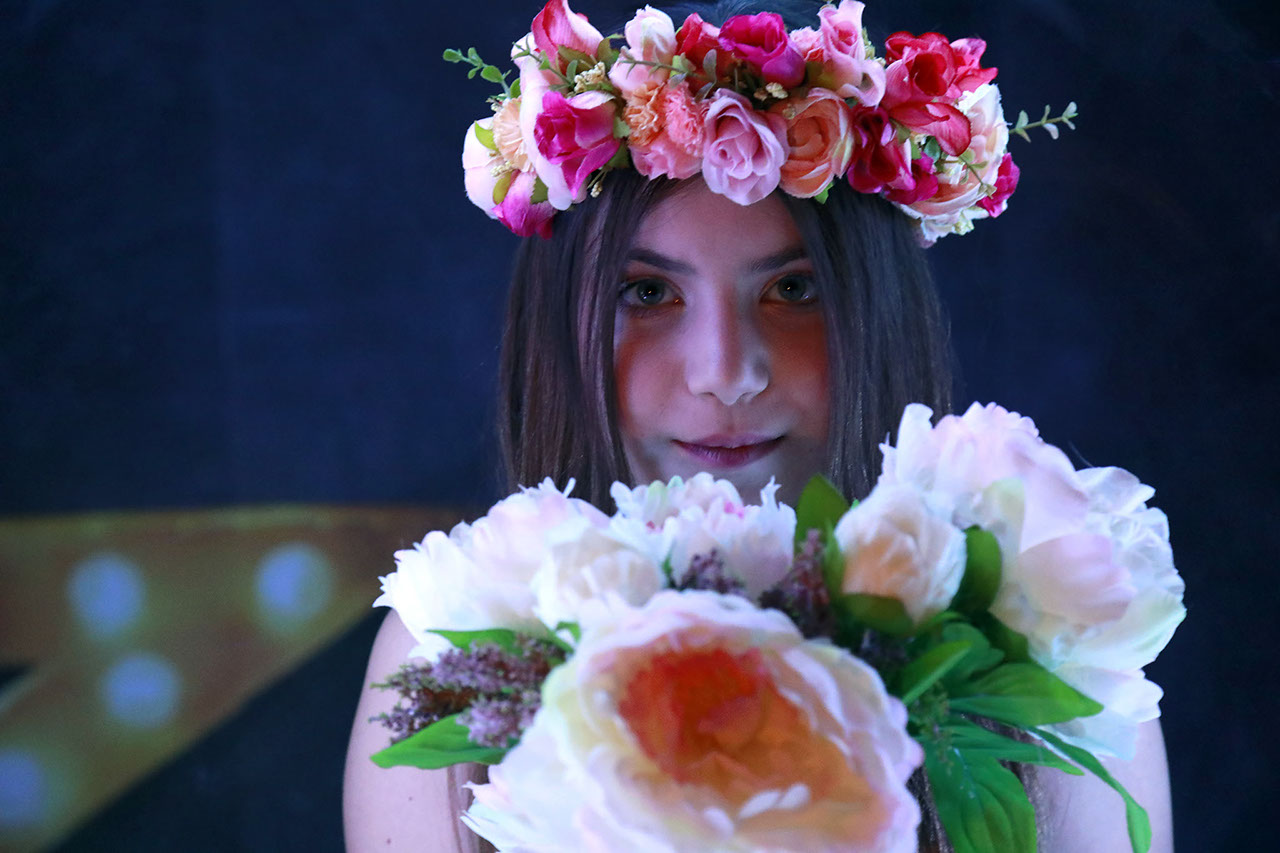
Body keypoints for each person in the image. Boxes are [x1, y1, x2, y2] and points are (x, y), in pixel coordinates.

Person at [345, 2, 1174, 850]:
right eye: (647, 292)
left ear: (880, 314)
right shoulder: (453, 639)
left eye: (793, 289)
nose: (726, 371)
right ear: (558, 328)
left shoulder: (1045, 628)